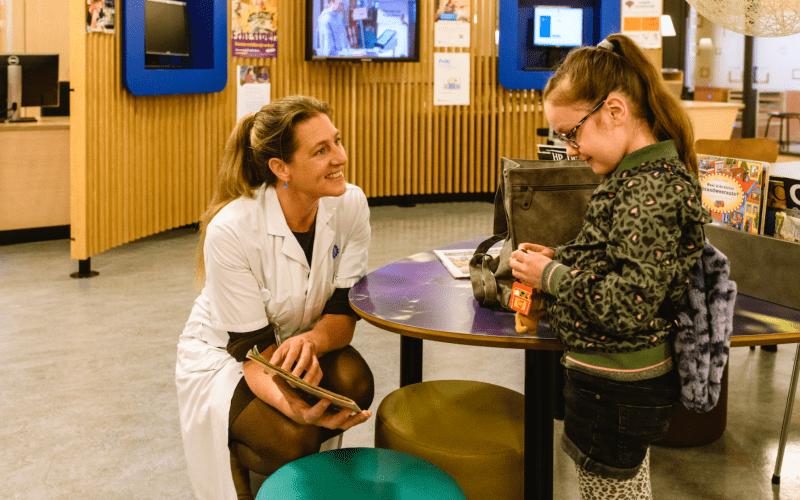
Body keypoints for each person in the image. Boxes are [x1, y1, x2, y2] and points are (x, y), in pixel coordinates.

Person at [508, 34, 710, 499]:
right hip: (608, 384)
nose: (570, 149)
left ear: (615, 111)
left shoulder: (649, 190)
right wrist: (560, 258)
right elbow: (616, 257)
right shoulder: (635, 177)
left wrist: (549, 276)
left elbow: (629, 305)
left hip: (615, 388)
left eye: (571, 133)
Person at [176, 95, 375, 500]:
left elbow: (343, 311)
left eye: (337, 141)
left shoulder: (350, 204)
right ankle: (246, 469)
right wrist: (296, 409)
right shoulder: (231, 230)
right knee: (293, 438)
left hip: (297, 339)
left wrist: (311, 342)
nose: (340, 157)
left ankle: (296, 474)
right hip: (228, 356)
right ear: (281, 168)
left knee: (355, 383)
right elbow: (252, 351)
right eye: (321, 151)